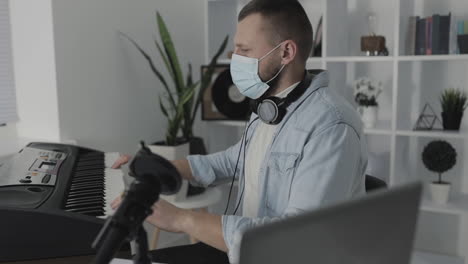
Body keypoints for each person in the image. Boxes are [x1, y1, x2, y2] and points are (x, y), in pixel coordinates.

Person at [112, 0, 368, 263]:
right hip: (245, 251)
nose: (232, 59)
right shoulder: (270, 107)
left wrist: (182, 220)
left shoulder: (331, 126)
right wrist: (157, 168)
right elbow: (233, 161)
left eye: (243, 50)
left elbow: (295, 240)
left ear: (286, 52)